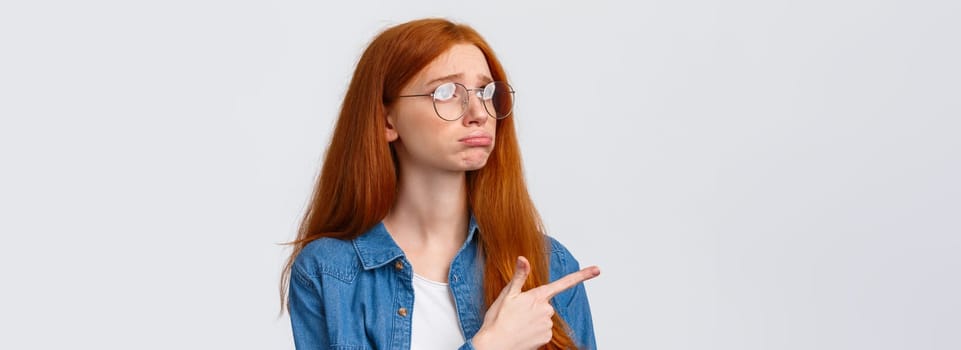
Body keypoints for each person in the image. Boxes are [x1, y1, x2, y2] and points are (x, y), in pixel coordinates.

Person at [280, 18, 600, 350]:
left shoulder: (550, 264)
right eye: (446, 92)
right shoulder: (330, 271)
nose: (478, 112)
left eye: (486, 92)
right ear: (387, 120)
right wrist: (492, 345)